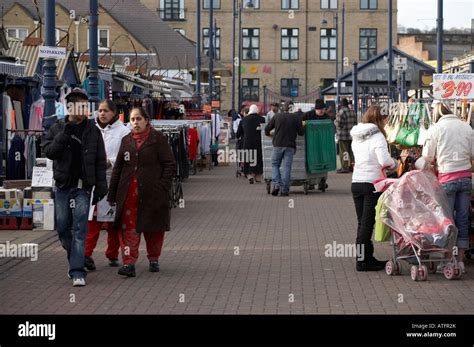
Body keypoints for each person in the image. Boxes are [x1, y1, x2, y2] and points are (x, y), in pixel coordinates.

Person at [43, 88, 107, 286]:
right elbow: (49, 152)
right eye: (79, 106)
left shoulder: (93, 130)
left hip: (83, 187)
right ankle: (75, 259)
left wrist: (101, 186)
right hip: (62, 186)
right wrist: (65, 133)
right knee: (63, 228)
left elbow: (99, 159)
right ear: (69, 107)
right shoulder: (57, 128)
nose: (83, 110)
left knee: (80, 228)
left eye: (85, 106)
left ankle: (78, 271)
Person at [107, 107, 176, 277]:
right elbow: (118, 168)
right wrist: (112, 193)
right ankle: (129, 263)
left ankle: (153, 258)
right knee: (128, 229)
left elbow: (169, 164)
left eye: (138, 119)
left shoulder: (158, 139)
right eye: (132, 119)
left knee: (153, 228)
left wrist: (162, 186)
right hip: (129, 194)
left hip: (152, 194)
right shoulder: (126, 140)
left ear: (146, 120)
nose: (135, 123)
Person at [422, 101, 474, 272]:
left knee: (446, 221)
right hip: (466, 178)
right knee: (463, 219)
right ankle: (459, 260)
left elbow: (427, 157)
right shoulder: (466, 127)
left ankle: (446, 259)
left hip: (447, 178)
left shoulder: (436, 129)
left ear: (437, 114)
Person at [84, 100, 130, 271]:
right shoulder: (90, 130)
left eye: (105, 111)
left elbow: (128, 156)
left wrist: (111, 162)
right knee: (93, 220)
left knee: (113, 222)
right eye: (100, 111)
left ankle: (112, 253)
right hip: (94, 182)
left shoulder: (124, 132)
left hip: (114, 182)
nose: (101, 114)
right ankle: (86, 255)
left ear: (114, 112)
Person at [350, 105, 397, 272]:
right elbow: (384, 161)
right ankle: (363, 262)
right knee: (367, 224)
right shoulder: (378, 137)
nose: (386, 123)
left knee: (362, 223)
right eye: (385, 120)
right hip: (372, 183)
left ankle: (365, 258)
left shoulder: (357, 136)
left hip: (356, 182)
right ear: (379, 119)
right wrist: (395, 163)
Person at [265, 101, 304, 196]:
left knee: (275, 164)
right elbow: (301, 133)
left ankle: (277, 184)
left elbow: (266, 129)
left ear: (283, 108)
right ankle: (284, 190)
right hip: (290, 146)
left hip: (278, 144)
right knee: (287, 168)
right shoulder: (296, 118)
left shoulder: (277, 116)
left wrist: (272, 134)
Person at [236, 104, 266, 184]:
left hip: (247, 143)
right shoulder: (262, 119)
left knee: (248, 160)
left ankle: (250, 176)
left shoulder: (244, 120)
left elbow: (238, 134)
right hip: (258, 143)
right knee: (258, 159)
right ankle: (258, 177)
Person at [335, 98, 357, 173]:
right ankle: (352, 166)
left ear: (341, 105)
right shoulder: (352, 112)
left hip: (343, 136)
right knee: (351, 152)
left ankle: (345, 167)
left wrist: (335, 122)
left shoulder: (341, 112)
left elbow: (338, 124)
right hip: (352, 135)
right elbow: (355, 123)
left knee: (344, 152)